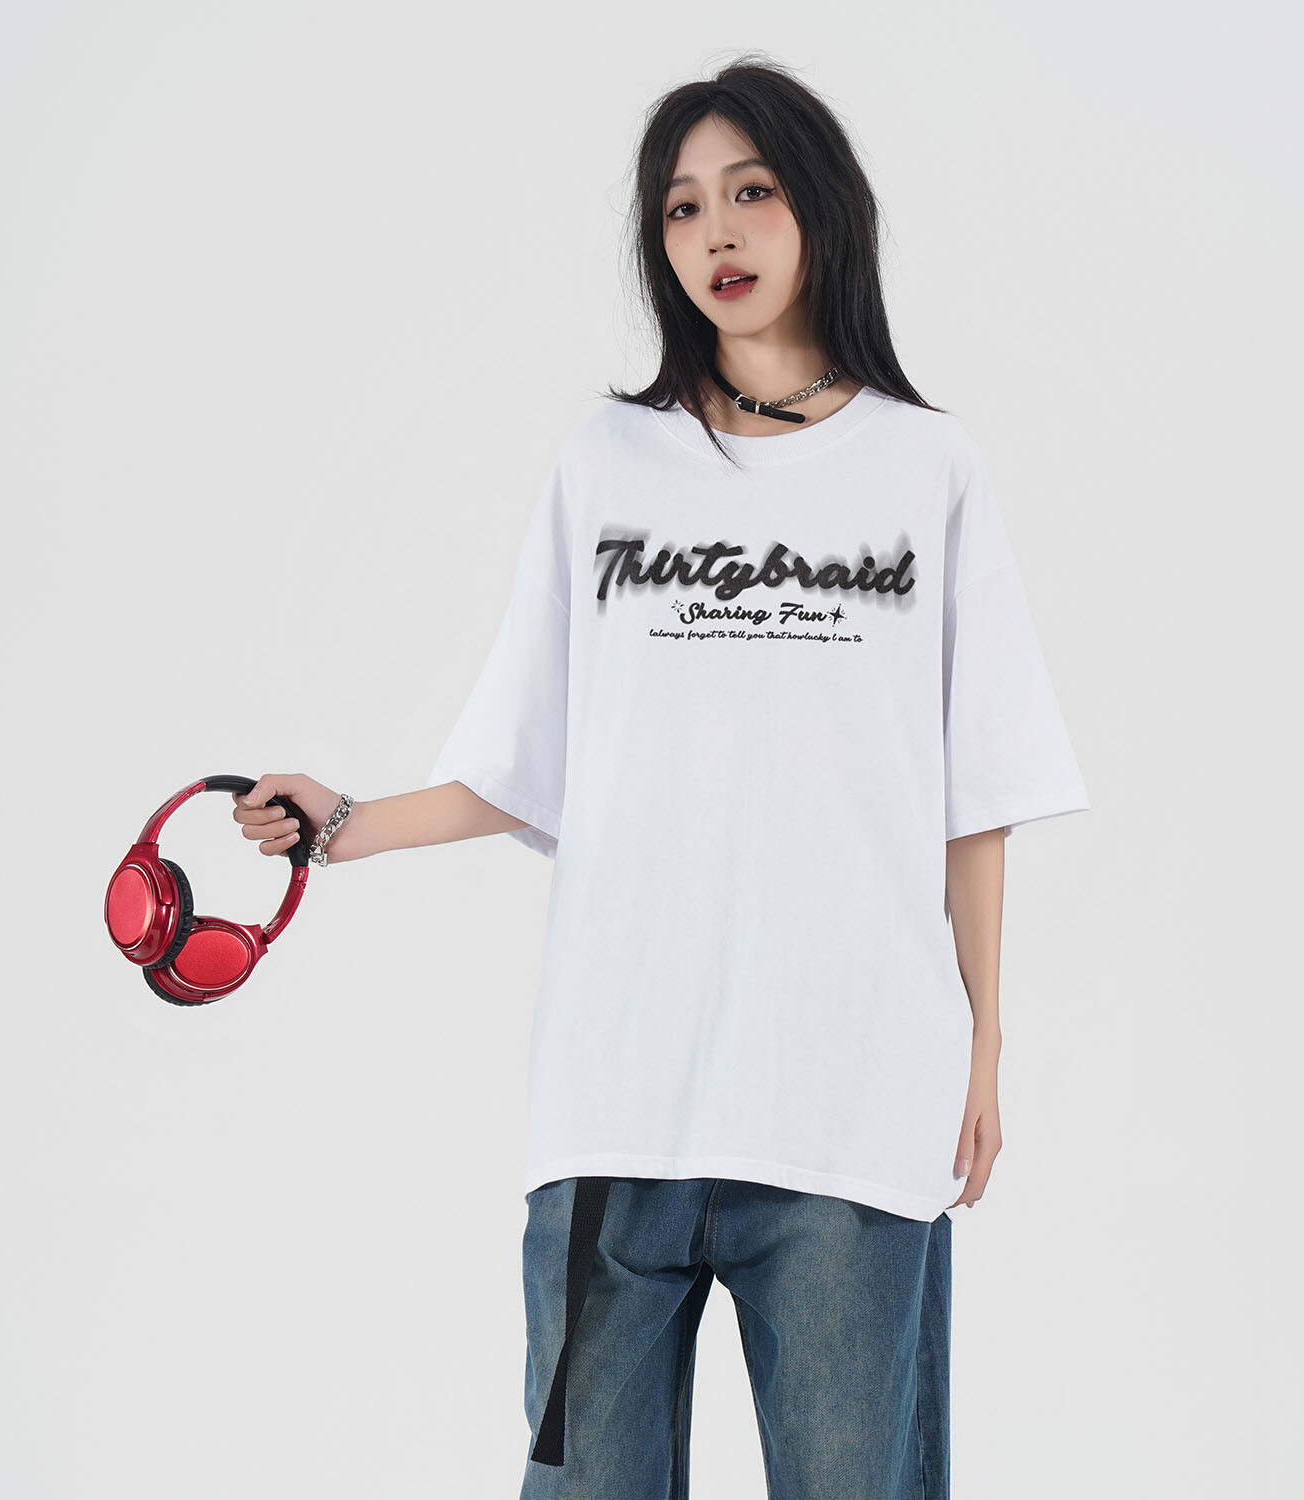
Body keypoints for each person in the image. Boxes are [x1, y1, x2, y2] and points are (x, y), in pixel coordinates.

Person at [233, 55, 1089, 1500]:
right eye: (683, 208)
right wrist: (344, 823)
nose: (717, 233)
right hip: (616, 1108)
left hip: (851, 1104)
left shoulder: (927, 469)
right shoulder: (607, 465)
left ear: (822, 209)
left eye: (751, 192)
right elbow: (525, 759)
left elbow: (975, 795)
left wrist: (984, 1044)